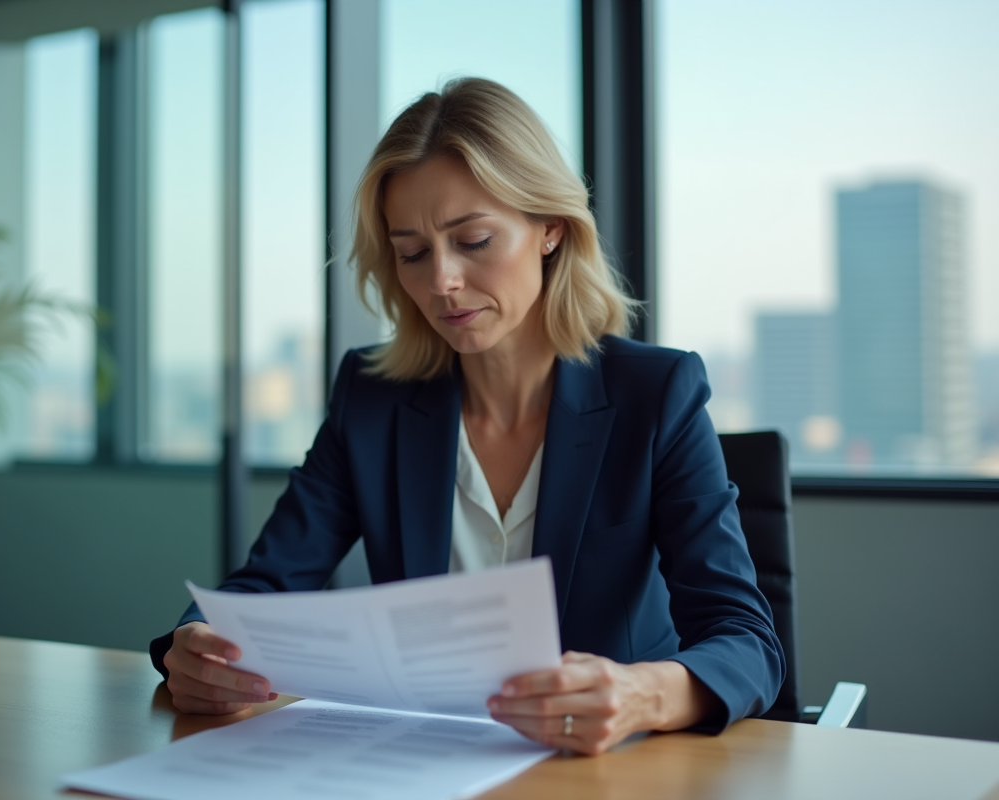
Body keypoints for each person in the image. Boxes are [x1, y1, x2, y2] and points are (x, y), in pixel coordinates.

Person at [150, 77, 783, 755]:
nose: (440, 281)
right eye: (413, 253)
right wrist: (193, 647)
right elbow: (267, 586)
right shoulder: (372, 397)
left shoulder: (656, 393)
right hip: (422, 762)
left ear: (550, 230)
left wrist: (640, 693)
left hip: (606, 772)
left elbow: (745, 640)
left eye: (473, 240)